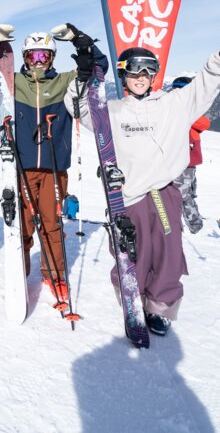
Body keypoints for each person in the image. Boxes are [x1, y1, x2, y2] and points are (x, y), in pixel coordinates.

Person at [64, 46, 220, 336]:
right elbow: (79, 108)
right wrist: (82, 78)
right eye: (134, 70)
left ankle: (158, 309)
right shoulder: (112, 110)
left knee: (167, 256)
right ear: (124, 74)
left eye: (148, 70)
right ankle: (133, 302)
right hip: (127, 196)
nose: (141, 76)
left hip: (163, 194)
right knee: (135, 255)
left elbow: (207, 81)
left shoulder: (175, 104)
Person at [0, 23, 108, 304]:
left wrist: (79, 40)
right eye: (32, 56)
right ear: (24, 58)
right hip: (20, 170)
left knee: (52, 224)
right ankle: (18, 273)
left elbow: (99, 68)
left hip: (54, 169)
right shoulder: (12, 83)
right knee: (20, 226)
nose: (38, 62)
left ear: (51, 58)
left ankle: (54, 274)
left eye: (43, 56)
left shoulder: (65, 83)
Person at [171, 76, 210, 234]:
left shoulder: (191, 111)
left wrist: (186, 113)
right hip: (177, 159)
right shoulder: (172, 109)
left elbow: (204, 124)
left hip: (188, 162)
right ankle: (191, 222)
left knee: (186, 194)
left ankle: (194, 224)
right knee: (181, 193)